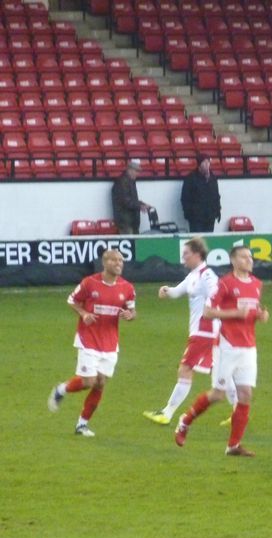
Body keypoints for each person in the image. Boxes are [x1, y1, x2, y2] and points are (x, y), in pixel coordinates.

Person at [174, 245, 268, 457]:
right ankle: (185, 421)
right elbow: (207, 312)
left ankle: (233, 445)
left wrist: (260, 315)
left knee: (245, 394)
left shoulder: (256, 284)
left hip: (248, 347)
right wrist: (235, 313)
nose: (249, 260)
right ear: (234, 261)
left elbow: (251, 311)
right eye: (244, 257)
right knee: (217, 394)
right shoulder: (225, 284)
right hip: (226, 345)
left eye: (250, 257)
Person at [143, 237, 235, 425]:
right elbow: (177, 292)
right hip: (205, 332)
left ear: (197, 254)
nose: (183, 258)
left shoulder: (207, 275)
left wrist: (213, 311)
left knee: (185, 369)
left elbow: (217, 294)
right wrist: (166, 290)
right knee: (222, 373)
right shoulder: (194, 275)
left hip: (205, 331)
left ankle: (166, 413)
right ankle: (239, 412)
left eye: (186, 254)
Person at [47, 249, 137, 437]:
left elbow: (131, 311)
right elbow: (72, 300)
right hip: (88, 339)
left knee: (100, 383)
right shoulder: (90, 283)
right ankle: (61, 389)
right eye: (115, 260)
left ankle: (82, 425)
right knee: (88, 381)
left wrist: (130, 315)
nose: (119, 264)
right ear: (105, 263)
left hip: (110, 342)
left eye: (121, 260)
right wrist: (84, 313)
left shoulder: (127, 288)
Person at [181, 154, 221, 233]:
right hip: (196, 218)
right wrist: (189, 213)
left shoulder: (213, 178)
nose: (207, 165)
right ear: (199, 164)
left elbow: (216, 196)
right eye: (205, 162)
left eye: (208, 162)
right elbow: (185, 198)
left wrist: (218, 211)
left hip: (210, 217)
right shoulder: (190, 178)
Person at [111, 159, 151, 235]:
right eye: (137, 171)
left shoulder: (129, 181)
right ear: (130, 170)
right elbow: (126, 202)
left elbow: (131, 200)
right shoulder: (122, 182)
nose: (138, 174)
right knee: (131, 243)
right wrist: (140, 205)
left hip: (131, 222)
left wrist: (142, 204)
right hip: (126, 222)